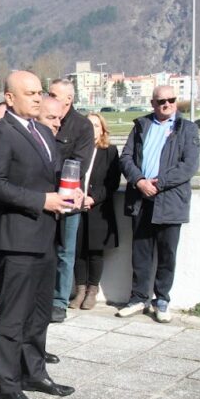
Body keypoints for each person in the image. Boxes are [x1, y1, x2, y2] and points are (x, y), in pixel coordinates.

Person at [0, 70, 76, 399]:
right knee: (12, 316)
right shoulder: (0, 133)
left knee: (39, 313)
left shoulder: (43, 132)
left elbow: (54, 175)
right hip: (18, 238)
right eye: (31, 93)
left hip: (45, 235)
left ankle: (34, 373)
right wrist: (41, 200)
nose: (38, 98)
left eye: (40, 92)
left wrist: (72, 193)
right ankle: (8, 386)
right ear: (10, 98)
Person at [116, 85, 200, 323]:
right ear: (153, 103)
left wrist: (159, 183)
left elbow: (189, 166)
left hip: (170, 201)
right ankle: (138, 298)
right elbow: (126, 158)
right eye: (161, 101)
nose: (166, 104)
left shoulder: (187, 129)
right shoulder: (141, 125)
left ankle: (161, 299)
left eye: (171, 100)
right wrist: (139, 181)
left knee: (167, 253)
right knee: (140, 252)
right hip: (141, 199)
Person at [47, 79, 95, 323]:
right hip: (44, 198)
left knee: (66, 252)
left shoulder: (82, 126)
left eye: (55, 94)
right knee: (44, 250)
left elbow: (78, 164)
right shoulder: (43, 119)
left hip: (67, 199)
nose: (50, 97)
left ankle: (59, 302)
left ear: (69, 99)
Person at [71, 112, 120, 310]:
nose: (92, 129)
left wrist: (93, 198)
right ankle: (80, 289)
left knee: (94, 251)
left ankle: (92, 290)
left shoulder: (110, 151)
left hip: (98, 209)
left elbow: (112, 182)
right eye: (89, 125)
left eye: (96, 125)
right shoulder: (76, 149)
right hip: (76, 206)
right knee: (77, 250)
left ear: (102, 130)